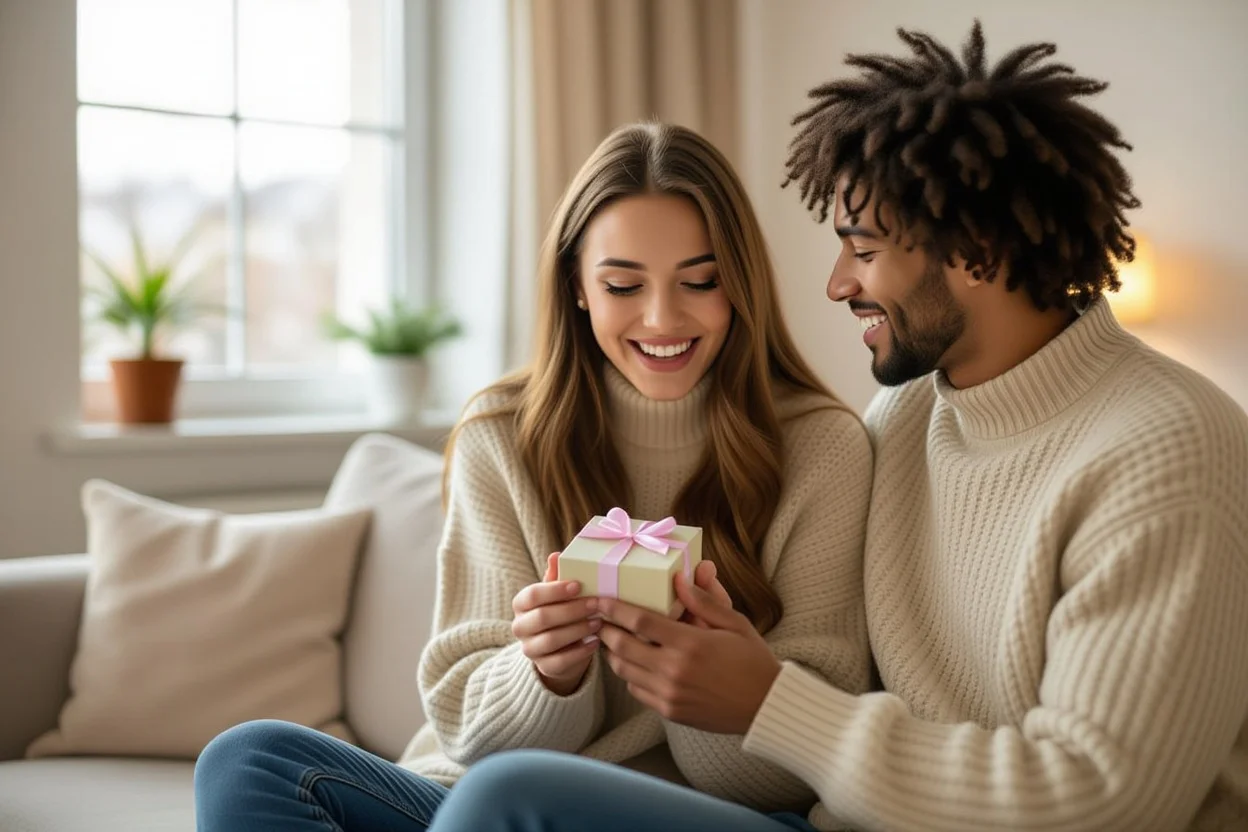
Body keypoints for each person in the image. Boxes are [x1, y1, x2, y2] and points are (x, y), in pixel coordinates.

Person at [413, 20, 1248, 832]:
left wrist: (771, 702)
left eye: (864, 247)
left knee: (506, 801)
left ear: (979, 249)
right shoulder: (906, 418)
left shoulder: (1169, 446)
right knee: (278, 760)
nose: (836, 284)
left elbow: (1105, 803)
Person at [193, 122, 875, 831]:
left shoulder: (821, 448)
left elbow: (806, 766)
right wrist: (546, 674)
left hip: (697, 812)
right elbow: (465, 732)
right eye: (622, 284)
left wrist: (702, 684)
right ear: (577, 286)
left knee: (510, 795)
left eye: (701, 282)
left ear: (741, 285)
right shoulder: (500, 435)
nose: (662, 317)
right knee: (247, 759)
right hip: (477, 799)